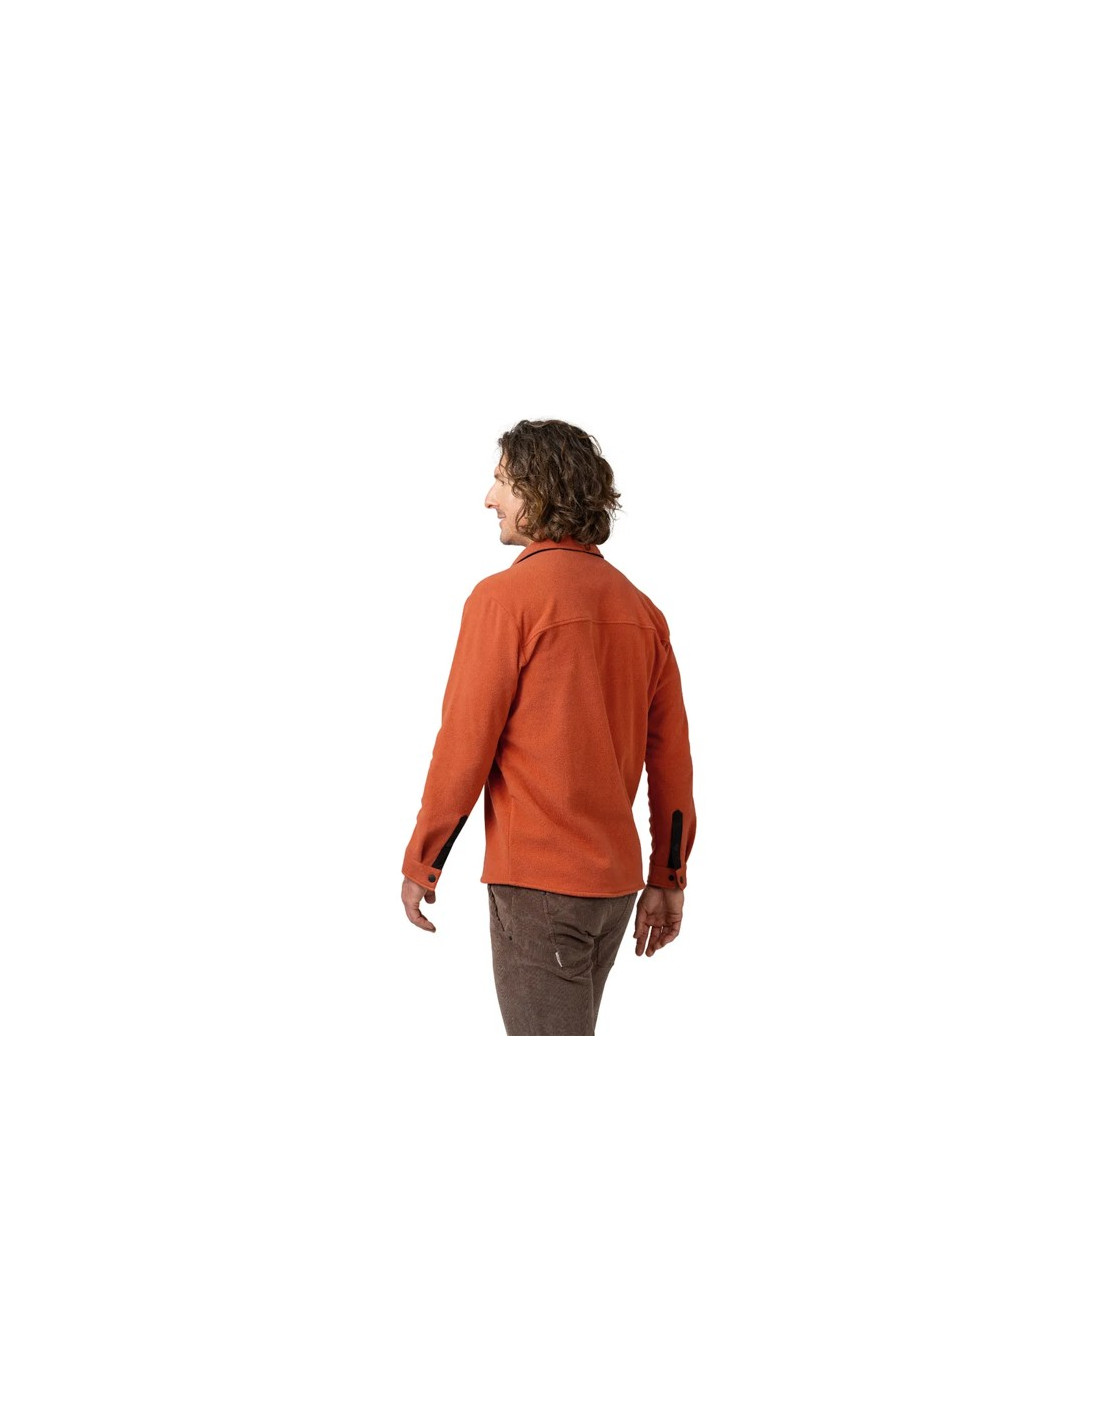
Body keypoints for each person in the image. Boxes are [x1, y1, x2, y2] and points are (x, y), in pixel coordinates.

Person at [400, 419, 696, 1036]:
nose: (489, 498)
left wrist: (423, 860)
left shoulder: (504, 600)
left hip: (538, 888)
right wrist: (668, 877)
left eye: (502, 481)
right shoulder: (643, 611)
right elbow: (673, 761)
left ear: (539, 490)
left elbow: (464, 747)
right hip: (614, 891)